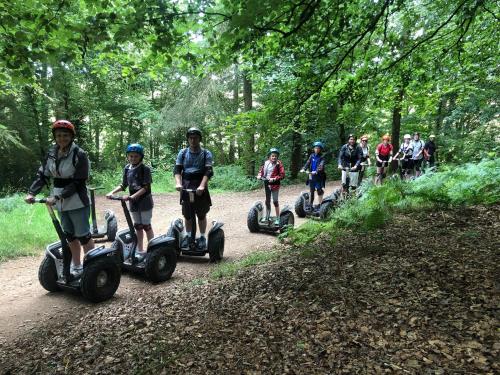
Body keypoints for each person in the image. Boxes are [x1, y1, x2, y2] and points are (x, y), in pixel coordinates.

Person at [25, 120, 94, 278]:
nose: (62, 138)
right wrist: (32, 193)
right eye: (59, 135)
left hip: (76, 199)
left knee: (83, 235)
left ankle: (92, 266)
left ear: (71, 136)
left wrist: (58, 196)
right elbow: (42, 175)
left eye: (65, 135)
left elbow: (78, 182)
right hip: (59, 201)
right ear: (55, 137)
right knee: (69, 235)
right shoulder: (51, 153)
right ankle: (76, 266)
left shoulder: (79, 154)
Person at [106, 144, 154, 256]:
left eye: (136, 156)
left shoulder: (144, 169)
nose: (133, 158)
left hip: (144, 201)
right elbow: (123, 185)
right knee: (138, 226)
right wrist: (112, 192)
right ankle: (140, 249)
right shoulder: (127, 168)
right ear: (128, 156)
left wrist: (133, 196)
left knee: (146, 225)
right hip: (133, 201)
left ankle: (153, 249)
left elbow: (145, 187)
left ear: (140, 157)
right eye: (131, 156)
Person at [174, 127, 214, 250]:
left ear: (199, 139)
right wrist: (178, 183)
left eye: (195, 138)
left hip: (200, 184)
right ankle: (188, 236)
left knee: (201, 214)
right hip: (186, 185)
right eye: (190, 138)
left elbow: (208, 171)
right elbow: (177, 170)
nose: (193, 140)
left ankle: (202, 237)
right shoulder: (183, 153)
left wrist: (202, 185)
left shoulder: (206, 153)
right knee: (187, 214)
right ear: (188, 139)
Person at [256, 148, 285, 224]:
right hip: (266, 183)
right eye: (272, 156)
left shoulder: (279, 164)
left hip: (275, 184)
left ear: (277, 157)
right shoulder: (266, 163)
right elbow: (261, 171)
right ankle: (267, 216)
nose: (274, 157)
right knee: (267, 201)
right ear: (269, 156)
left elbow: (282, 175)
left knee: (275, 201)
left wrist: (275, 178)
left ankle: (278, 218)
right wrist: (259, 175)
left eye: (275, 156)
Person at [300, 141, 326, 210]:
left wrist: (317, 171)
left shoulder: (322, 157)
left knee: (319, 190)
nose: (316, 149)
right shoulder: (312, 156)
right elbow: (307, 163)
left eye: (318, 148)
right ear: (314, 149)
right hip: (311, 175)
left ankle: (321, 205)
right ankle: (310, 205)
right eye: (315, 148)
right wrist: (304, 169)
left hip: (319, 176)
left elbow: (321, 165)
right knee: (311, 191)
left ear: (320, 149)